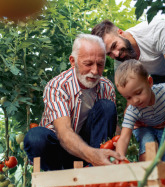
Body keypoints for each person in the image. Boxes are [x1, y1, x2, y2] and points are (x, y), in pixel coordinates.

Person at [92, 19, 165, 187]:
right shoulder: (121, 60)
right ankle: (159, 181)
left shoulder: (156, 31)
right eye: (109, 54)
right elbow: (131, 93)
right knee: (145, 119)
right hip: (151, 79)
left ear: (120, 32)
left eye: (114, 46)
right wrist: (130, 124)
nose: (116, 54)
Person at [24, 34, 123, 171]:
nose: (95, 71)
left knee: (107, 106)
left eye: (100, 64)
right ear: (73, 61)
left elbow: (110, 126)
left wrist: (120, 147)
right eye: (88, 64)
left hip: (92, 149)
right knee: (35, 137)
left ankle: (97, 173)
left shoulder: (106, 87)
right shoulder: (57, 86)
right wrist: (93, 156)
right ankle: (59, 182)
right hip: (61, 150)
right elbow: (64, 133)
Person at [115, 59, 165, 164]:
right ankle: (146, 177)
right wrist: (119, 158)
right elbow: (124, 138)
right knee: (148, 149)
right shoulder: (133, 110)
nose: (135, 100)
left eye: (138, 92)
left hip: (164, 126)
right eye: (128, 98)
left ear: (149, 82)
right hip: (143, 128)